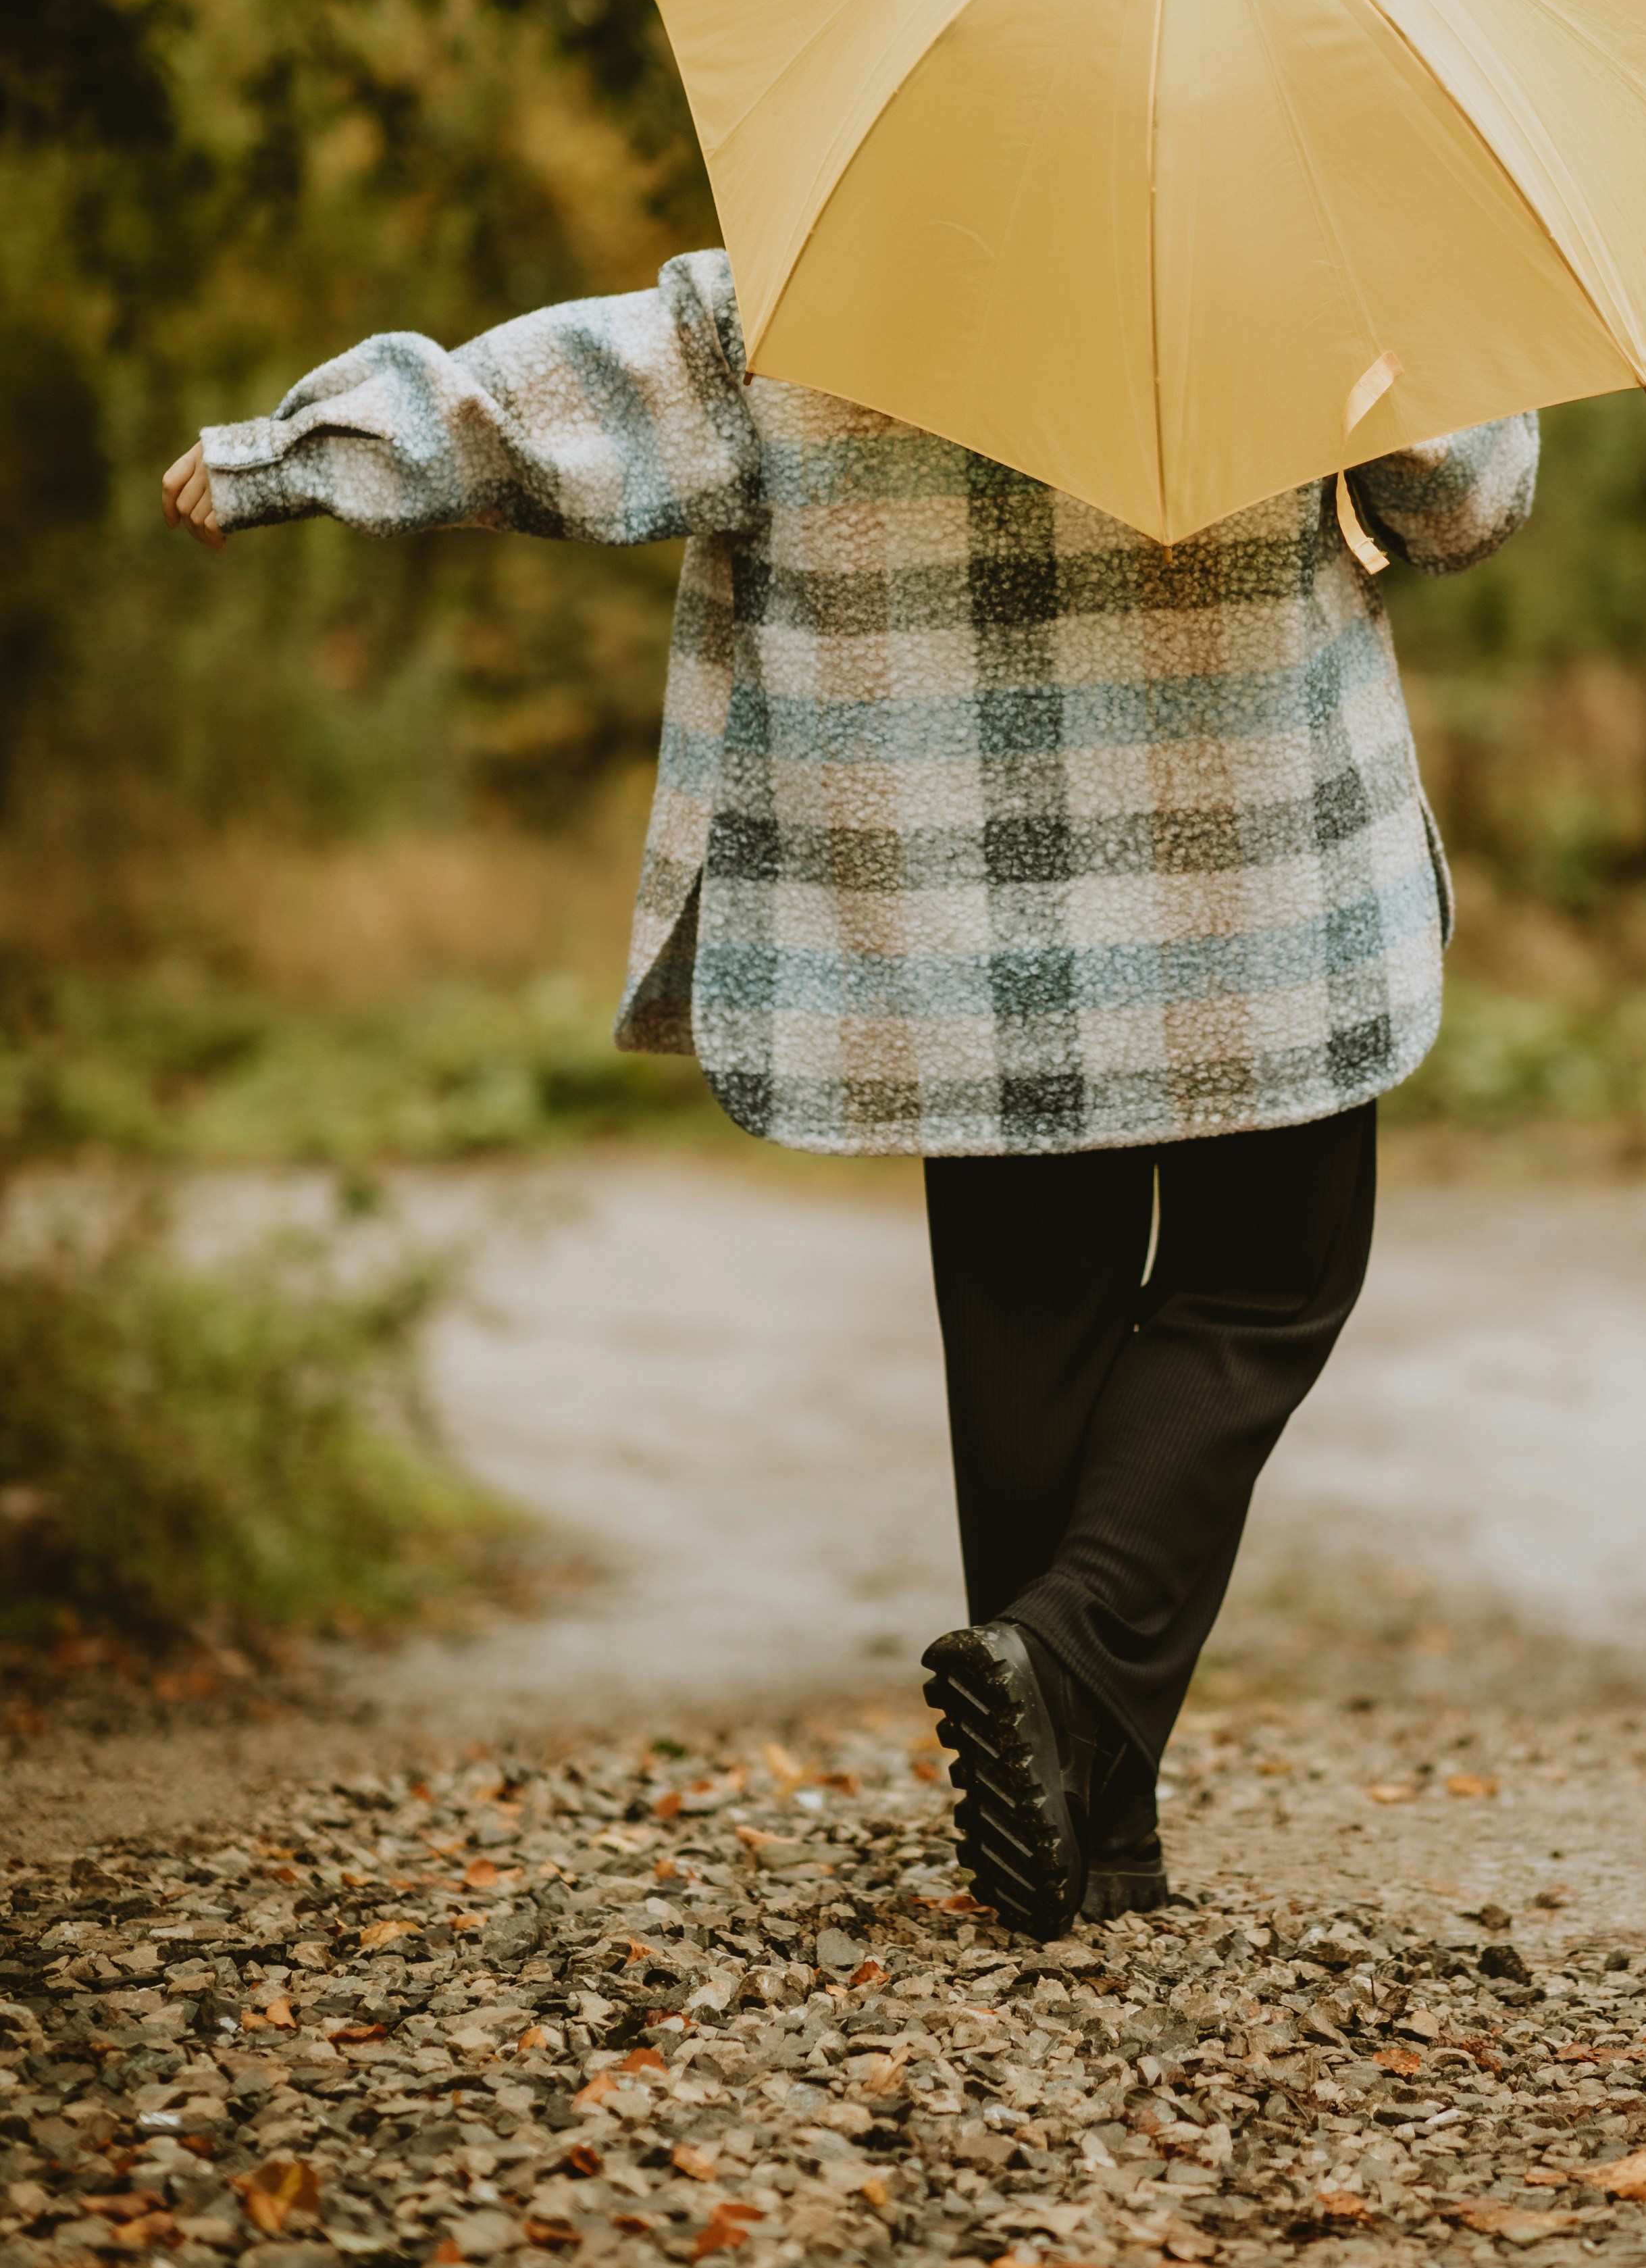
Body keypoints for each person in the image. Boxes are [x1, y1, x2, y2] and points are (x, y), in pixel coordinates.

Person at [164, 248, 1536, 1933]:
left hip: (959, 903)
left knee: (1032, 1325)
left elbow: (569, 406)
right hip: (1254, 877)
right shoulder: (1298, 249)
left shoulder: (817, 281)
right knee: (1269, 1283)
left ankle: (1087, 1850)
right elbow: (1463, 497)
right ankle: (1066, 1662)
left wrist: (293, 449)